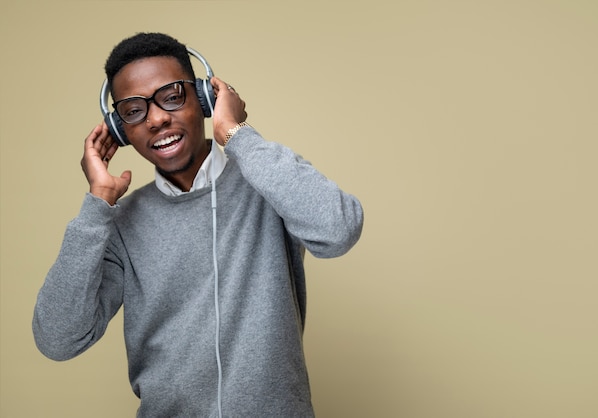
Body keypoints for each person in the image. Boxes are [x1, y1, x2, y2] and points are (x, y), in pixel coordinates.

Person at [32, 32, 363, 417]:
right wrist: (97, 205)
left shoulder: (268, 180)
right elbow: (57, 339)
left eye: (172, 96)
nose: (156, 118)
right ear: (120, 129)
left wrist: (237, 136)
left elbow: (339, 231)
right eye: (134, 110)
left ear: (205, 98)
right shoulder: (118, 224)